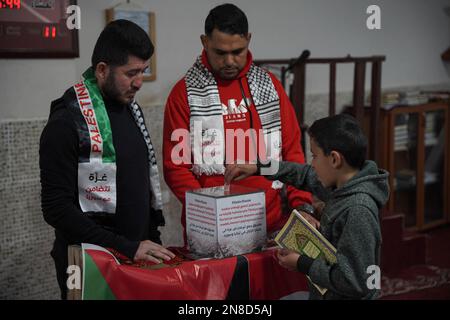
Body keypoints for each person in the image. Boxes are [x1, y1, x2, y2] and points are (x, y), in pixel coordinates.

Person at [40, 20, 175, 299]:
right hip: (87, 262)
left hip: (134, 256)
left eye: (144, 71)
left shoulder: (130, 110)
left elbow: (140, 184)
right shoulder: (66, 122)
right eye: (132, 73)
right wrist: (124, 245)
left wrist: (149, 241)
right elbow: (55, 209)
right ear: (102, 70)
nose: (140, 82)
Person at [163, 3, 312, 241]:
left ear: (249, 39)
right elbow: (176, 168)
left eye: (238, 51)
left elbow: (292, 152)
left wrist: (302, 206)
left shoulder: (270, 86)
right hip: (210, 228)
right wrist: (209, 212)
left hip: (271, 223)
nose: (230, 61)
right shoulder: (185, 93)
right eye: (220, 53)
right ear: (204, 42)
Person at [224, 113, 390, 299]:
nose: (312, 164)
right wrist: (259, 167)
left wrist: (303, 263)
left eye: (315, 156)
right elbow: (302, 174)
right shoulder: (342, 183)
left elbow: (356, 282)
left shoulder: (358, 210)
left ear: (334, 159)